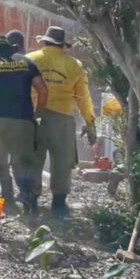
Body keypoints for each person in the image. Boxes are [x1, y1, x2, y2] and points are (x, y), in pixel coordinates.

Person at [0, 35, 48, 234]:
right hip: (24, 124)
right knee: (25, 168)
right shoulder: (27, 63)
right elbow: (43, 90)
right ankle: (31, 216)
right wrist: (36, 115)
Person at [26, 26, 96, 218]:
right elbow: (83, 97)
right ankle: (58, 204)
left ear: (45, 41)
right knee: (62, 161)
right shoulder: (75, 65)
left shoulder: (30, 59)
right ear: (62, 45)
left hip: (34, 116)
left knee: (33, 159)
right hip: (63, 118)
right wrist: (90, 122)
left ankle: (31, 201)